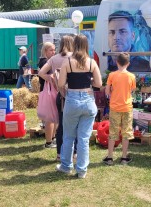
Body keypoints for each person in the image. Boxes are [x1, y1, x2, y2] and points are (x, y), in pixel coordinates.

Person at [55, 34, 102, 179]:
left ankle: (66, 166)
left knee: (68, 136)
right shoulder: (92, 63)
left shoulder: (67, 63)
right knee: (83, 139)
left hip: (73, 100)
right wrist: (90, 80)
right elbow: (99, 84)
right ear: (87, 45)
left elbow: (61, 84)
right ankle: (81, 170)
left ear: (74, 45)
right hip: (88, 100)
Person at [38, 35, 74, 160]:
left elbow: (41, 72)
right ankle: (72, 153)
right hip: (73, 93)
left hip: (58, 92)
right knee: (70, 124)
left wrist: (51, 79)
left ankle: (59, 153)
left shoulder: (54, 58)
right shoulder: (74, 57)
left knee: (59, 122)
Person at [103, 52, 136, 166]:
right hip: (127, 107)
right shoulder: (132, 76)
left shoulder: (112, 75)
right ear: (128, 64)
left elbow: (107, 91)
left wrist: (112, 91)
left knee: (113, 132)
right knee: (126, 132)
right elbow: (131, 90)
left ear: (117, 62)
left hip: (115, 107)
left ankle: (110, 157)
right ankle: (124, 158)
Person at [37, 42, 57, 148]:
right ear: (45, 51)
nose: (53, 52)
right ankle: (49, 142)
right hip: (48, 92)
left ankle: (52, 139)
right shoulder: (45, 62)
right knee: (50, 118)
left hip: (49, 91)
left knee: (54, 117)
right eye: (51, 50)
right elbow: (49, 77)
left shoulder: (48, 61)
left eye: (54, 50)